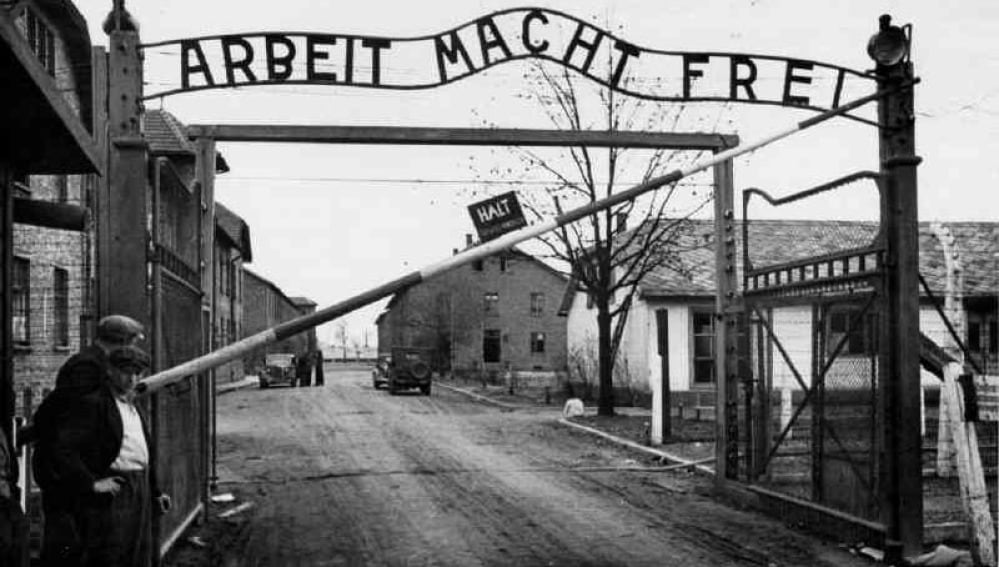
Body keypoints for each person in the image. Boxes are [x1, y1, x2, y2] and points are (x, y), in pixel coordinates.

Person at [34, 345, 170, 567]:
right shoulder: (94, 404)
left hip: (140, 490)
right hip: (115, 493)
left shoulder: (133, 406)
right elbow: (63, 448)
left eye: (137, 373)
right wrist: (91, 483)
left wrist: (156, 492)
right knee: (112, 556)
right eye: (126, 372)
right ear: (110, 371)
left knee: (138, 555)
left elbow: (144, 453)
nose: (132, 378)